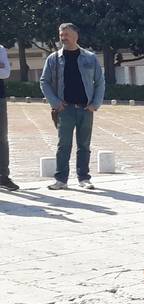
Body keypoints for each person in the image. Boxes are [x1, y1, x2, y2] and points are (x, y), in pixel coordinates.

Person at [40, 23, 104, 190]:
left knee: (84, 145)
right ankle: (61, 180)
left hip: (85, 109)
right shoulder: (53, 58)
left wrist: (95, 104)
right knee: (63, 145)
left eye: (66, 34)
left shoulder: (90, 57)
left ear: (76, 35)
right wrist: (55, 102)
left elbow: (100, 82)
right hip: (64, 109)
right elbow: (44, 82)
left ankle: (84, 178)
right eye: (61, 34)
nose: (63, 37)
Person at [0, 43, 18, 191]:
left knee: (2, 138)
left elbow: (6, 73)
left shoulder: (0, 49)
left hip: (0, 99)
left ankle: (3, 177)